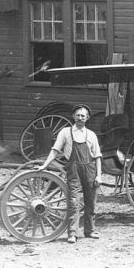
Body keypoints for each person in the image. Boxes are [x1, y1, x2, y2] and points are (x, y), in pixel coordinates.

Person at [37, 104, 103, 244]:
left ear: (87, 118)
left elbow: (97, 156)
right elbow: (55, 150)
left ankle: (89, 231)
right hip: (73, 171)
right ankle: (72, 233)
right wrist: (45, 164)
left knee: (91, 202)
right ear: (73, 116)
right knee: (74, 203)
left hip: (90, 170)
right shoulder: (65, 132)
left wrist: (99, 175)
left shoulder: (91, 135)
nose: (80, 118)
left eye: (83, 116)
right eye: (78, 115)